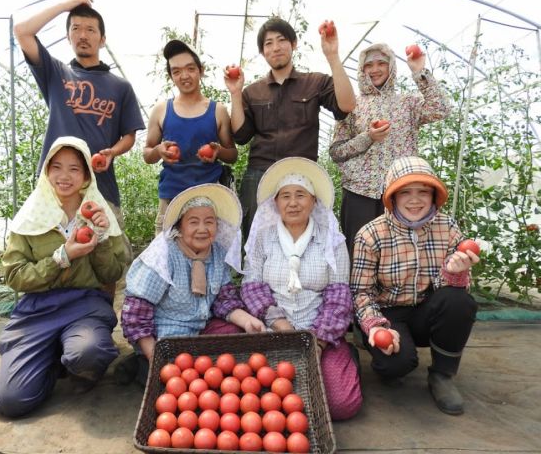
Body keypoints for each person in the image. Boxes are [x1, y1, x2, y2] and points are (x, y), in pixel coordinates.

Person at [0, 136, 127, 418]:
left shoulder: (98, 214)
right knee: (11, 402)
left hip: (84, 305)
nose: (65, 176)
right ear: (47, 170)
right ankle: (51, 359)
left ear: (87, 175)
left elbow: (113, 273)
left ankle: (76, 363)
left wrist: (100, 240)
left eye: (75, 168)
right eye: (57, 167)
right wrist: (61, 258)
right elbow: (15, 276)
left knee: (89, 352)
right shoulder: (30, 218)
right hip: (38, 311)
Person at [13, 0, 145, 263]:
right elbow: (22, 31)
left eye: (90, 29)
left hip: (101, 185)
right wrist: (66, 5)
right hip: (56, 185)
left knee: (109, 260)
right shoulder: (56, 73)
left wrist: (111, 152)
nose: (83, 35)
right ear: (67, 36)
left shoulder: (120, 86)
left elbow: (129, 135)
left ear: (102, 39)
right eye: (76, 29)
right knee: (53, 259)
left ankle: (104, 307)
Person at [350, 156, 479, 415]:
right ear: (393, 197)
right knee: (394, 366)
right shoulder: (371, 234)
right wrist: (376, 328)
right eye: (405, 192)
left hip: (425, 311)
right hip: (387, 314)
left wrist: (455, 273)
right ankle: (392, 358)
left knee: (459, 301)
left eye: (423, 191)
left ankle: (442, 375)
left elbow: (456, 291)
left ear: (434, 195)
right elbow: (361, 292)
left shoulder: (448, 227)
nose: (415, 199)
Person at [240, 157, 362, 421]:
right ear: (276, 203)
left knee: (342, 405)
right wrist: (280, 325)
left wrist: (315, 342)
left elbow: (339, 296)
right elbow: (251, 286)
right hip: (272, 328)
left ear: (314, 201)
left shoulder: (332, 241)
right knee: (256, 400)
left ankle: (342, 356)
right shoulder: (263, 238)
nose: (292, 203)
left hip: (320, 330)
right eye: (285, 196)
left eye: (300, 195)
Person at [224, 17, 356, 239]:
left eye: (281, 40)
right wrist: (235, 94)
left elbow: (347, 105)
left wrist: (332, 56)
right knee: (257, 241)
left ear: (293, 44)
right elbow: (240, 135)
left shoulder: (315, 82)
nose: (275, 47)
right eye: (268, 43)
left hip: (302, 173)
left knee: (305, 238)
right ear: (262, 52)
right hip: (260, 175)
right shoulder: (253, 92)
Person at [119, 183, 265, 385]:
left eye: (209, 222)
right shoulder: (163, 256)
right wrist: (154, 355)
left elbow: (224, 301)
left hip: (202, 328)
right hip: (166, 337)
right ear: (180, 226)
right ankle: (141, 362)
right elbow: (137, 311)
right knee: (181, 383)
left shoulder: (217, 255)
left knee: (238, 342)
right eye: (193, 222)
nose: (202, 229)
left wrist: (248, 321)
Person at [329, 43, 451, 257]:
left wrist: (419, 72)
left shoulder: (408, 103)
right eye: (369, 65)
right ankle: (358, 291)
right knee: (358, 252)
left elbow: (440, 109)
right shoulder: (351, 105)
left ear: (392, 67)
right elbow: (336, 152)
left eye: (381, 64)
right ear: (361, 70)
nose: (375, 69)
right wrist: (368, 137)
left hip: (400, 191)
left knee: (399, 255)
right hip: (360, 192)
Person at [144, 40, 238, 235]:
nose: (184, 76)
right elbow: (147, 154)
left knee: (206, 257)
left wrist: (218, 151)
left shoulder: (217, 111)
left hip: (209, 199)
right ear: (171, 76)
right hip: (171, 199)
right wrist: (159, 151)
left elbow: (232, 154)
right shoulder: (161, 110)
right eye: (176, 71)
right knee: (165, 256)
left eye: (190, 68)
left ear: (201, 70)